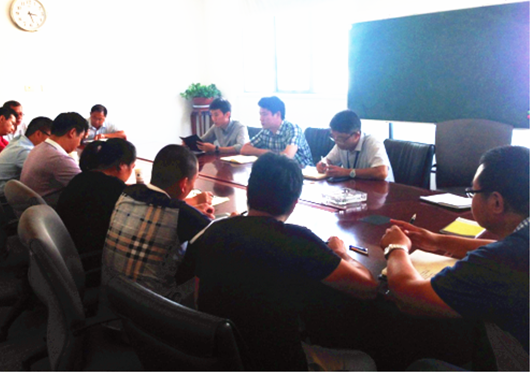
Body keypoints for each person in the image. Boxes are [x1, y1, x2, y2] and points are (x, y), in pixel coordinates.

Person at [191, 152, 378, 371]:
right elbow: (368, 287)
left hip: (219, 356)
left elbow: (198, 300)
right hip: (275, 362)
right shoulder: (298, 240)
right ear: (294, 203)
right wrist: (341, 252)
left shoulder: (214, 231)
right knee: (365, 362)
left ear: (248, 191)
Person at [381, 145, 529, 371]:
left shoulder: (502, 261)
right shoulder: (519, 245)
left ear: (496, 202)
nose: (471, 197)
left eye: (473, 192)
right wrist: (437, 241)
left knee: (423, 367)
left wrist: (396, 248)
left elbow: (408, 293)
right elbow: (502, 249)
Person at [102, 144, 214, 304]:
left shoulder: (127, 193)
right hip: (154, 307)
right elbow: (220, 241)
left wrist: (193, 210)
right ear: (184, 183)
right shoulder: (184, 215)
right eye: (193, 181)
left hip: (112, 295)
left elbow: (160, 205)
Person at [57, 139, 137, 273]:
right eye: (132, 167)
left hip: (66, 252)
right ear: (122, 166)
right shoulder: (116, 190)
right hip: (91, 263)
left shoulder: (80, 178)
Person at [20, 112, 88, 206]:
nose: (79, 144)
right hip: (48, 211)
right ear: (72, 133)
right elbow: (87, 188)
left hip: (32, 209)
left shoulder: (39, 147)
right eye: (80, 138)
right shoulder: (59, 158)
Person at [317, 110, 393, 181]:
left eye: (340, 138)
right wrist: (323, 164)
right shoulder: (341, 143)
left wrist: (347, 172)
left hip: (381, 188)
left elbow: (382, 172)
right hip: (356, 187)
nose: (337, 142)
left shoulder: (372, 142)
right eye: (333, 137)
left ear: (357, 135)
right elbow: (328, 160)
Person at [240, 96, 313, 167]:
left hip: (303, 171)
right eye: (260, 114)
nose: (261, 118)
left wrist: (267, 153)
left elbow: (287, 157)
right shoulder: (266, 131)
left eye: (264, 114)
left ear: (278, 114)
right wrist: (268, 153)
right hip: (278, 169)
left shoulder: (293, 129)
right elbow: (244, 149)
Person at [0, 117, 52, 196]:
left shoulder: (19, 141)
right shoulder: (24, 151)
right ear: (38, 134)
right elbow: (43, 175)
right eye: (50, 137)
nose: (51, 141)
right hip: (1, 196)